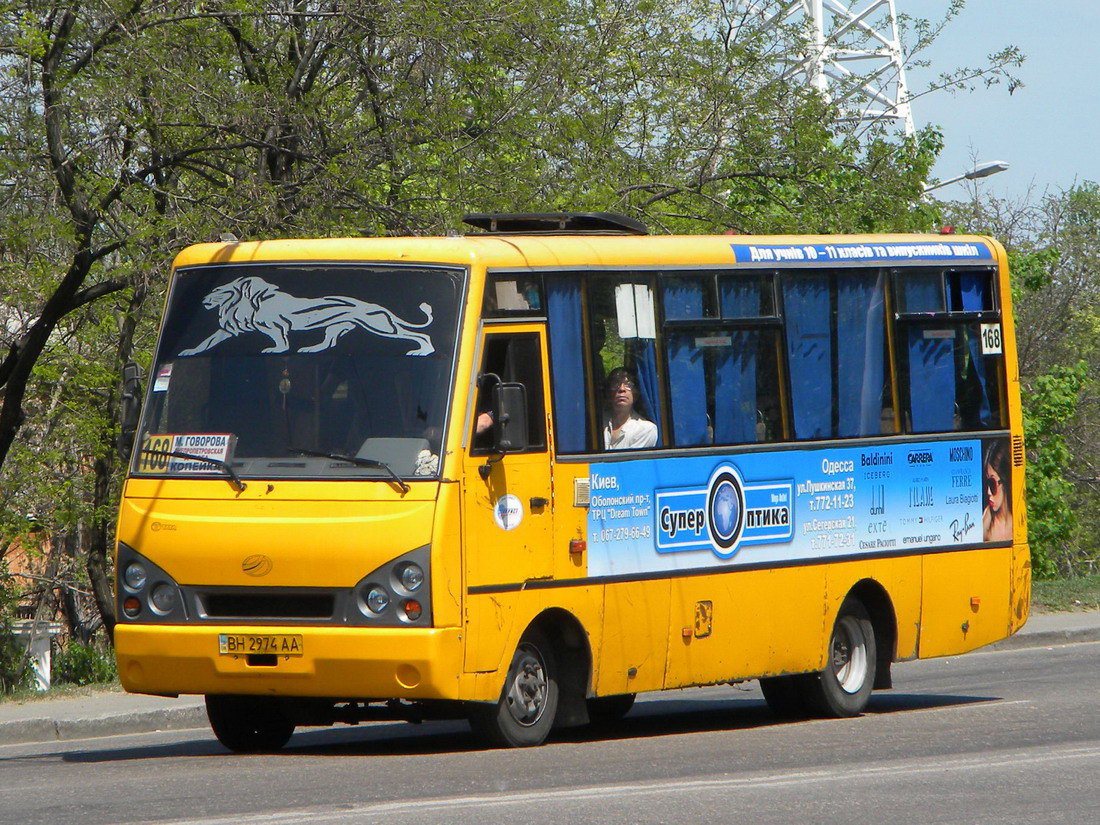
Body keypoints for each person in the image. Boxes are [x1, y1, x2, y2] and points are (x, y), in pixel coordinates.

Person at [603, 367, 658, 450]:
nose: (622, 389)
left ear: (635, 394)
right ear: (609, 392)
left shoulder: (646, 429)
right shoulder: (598, 423)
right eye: (616, 384)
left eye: (628, 385)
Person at [982, 440, 1013, 542]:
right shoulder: (986, 524)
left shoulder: (1019, 521)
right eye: (986, 483)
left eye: (992, 483)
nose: (988, 492)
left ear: (1005, 482)